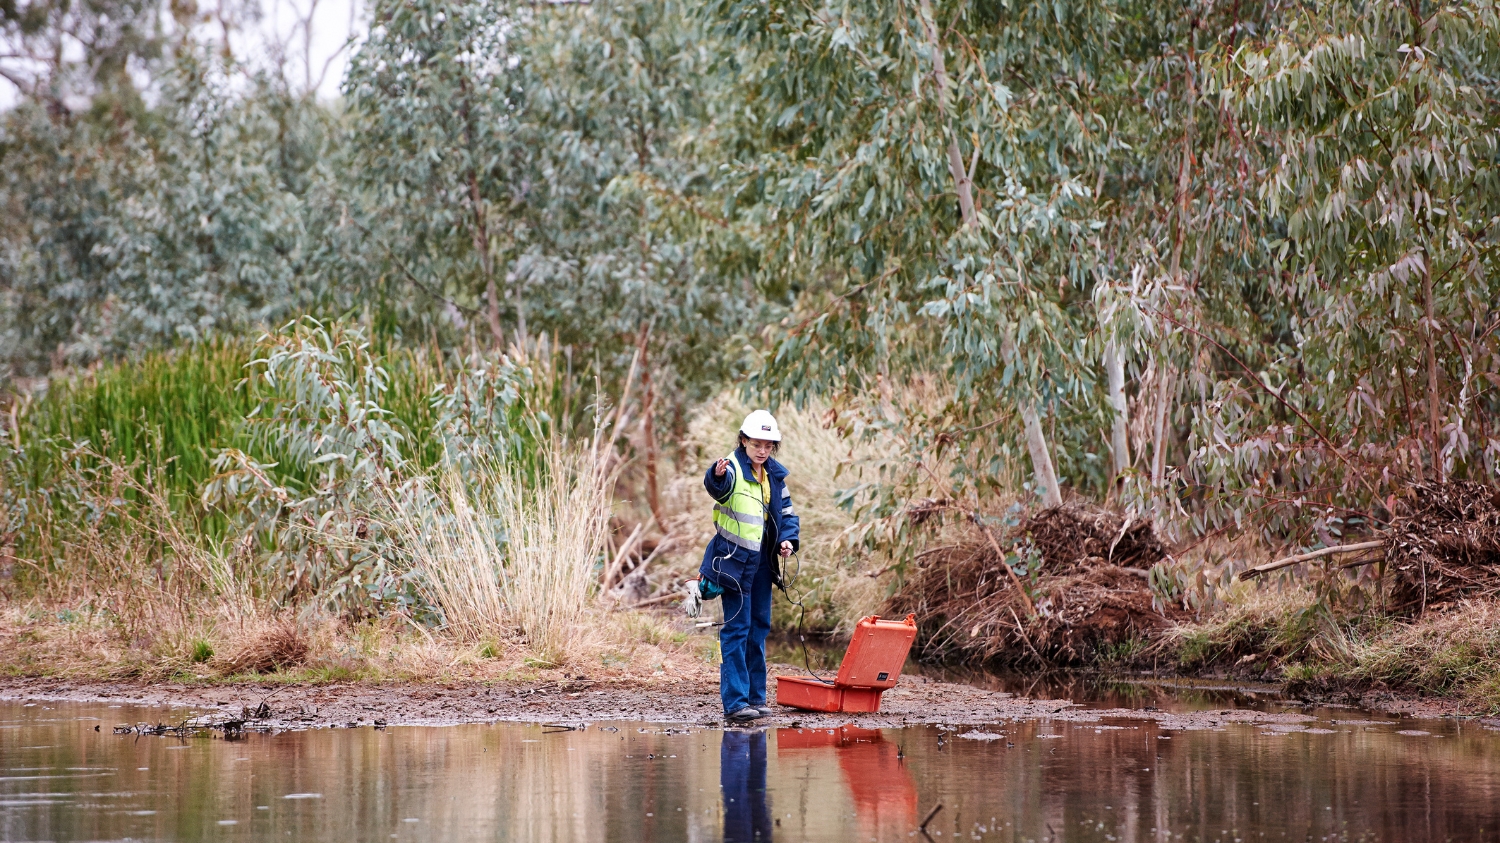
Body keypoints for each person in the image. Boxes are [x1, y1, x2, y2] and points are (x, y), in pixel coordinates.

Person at [695, 409, 799, 723]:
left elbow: (787, 514)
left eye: (768, 445)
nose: (762, 450)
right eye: (756, 444)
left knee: (759, 628)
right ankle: (736, 703)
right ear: (743, 440)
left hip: (763, 563)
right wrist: (716, 475)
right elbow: (719, 487)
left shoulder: (775, 475)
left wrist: (787, 541)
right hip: (734, 562)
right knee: (737, 630)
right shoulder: (730, 468)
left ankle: (756, 698)